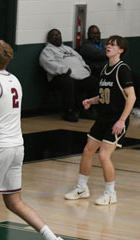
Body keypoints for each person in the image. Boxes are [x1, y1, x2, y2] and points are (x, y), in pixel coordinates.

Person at [0, 39, 63, 240]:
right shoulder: (14, 80)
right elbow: (3, 107)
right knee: (14, 202)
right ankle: (52, 238)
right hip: (17, 146)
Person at [64, 35, 136, 205]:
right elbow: (105, 95)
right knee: (88, 150)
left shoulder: (122, 69)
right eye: (108, 44)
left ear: (121, 50)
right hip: (103, 118)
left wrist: (122, 120)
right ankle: (82, 188)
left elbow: (132, 97)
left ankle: (110, 193)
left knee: (103, 155)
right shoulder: (105, 69)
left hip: (116, 120)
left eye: (113, 45)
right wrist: (91, 100)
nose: (108, 46)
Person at [39, 28, 98, 122]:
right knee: (68, 82)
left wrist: (85, 67)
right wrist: (64, 70)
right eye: (53, 35)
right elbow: (47, 63)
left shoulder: (68, 49)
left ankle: (86, 109)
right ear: (49, 38)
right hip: (59, 77)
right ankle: (67, 111)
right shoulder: (47, 51)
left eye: (58, 35)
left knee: (93, 82)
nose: (56, 37)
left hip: (78, 75)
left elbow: (79, 58)